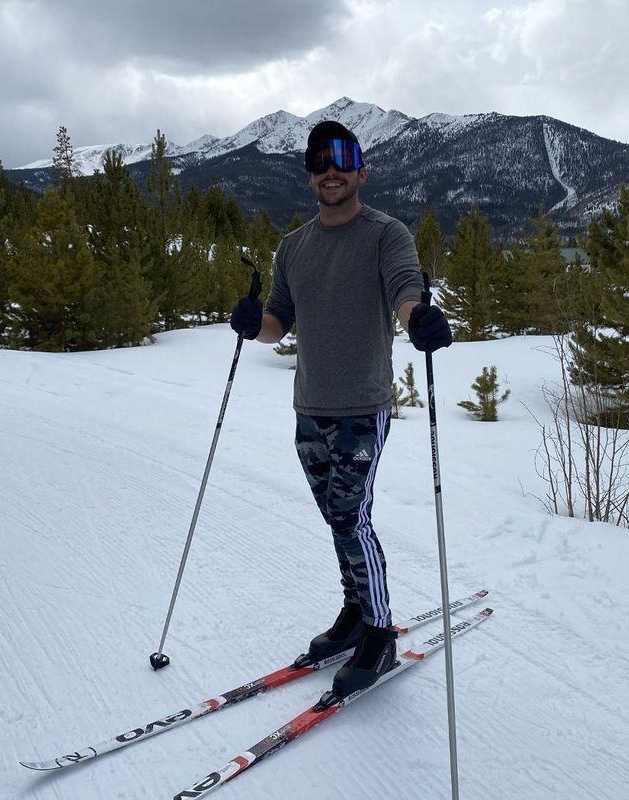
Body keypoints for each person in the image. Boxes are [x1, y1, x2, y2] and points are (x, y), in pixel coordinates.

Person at [230, 120, 452, 699]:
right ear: (310, 174)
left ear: (361, 170)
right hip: (309, 406)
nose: (331, 170)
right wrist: (255, 325)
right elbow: (279, 318)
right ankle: (356, 609)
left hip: (362, 405)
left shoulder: (385, 234)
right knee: (337, 517)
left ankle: (378, 631)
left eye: (343, 159)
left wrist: (418, 318)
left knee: (351, 517)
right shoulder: (294, 246)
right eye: (320, 161)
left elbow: (405, 289)